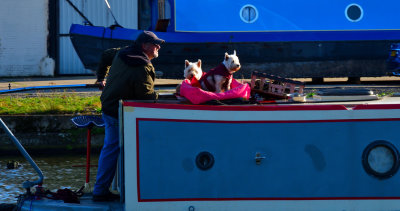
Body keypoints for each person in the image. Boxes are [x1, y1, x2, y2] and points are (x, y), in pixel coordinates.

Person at [92, 31, 164, 202]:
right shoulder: (141, 66)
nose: (158, 47)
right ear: (144, 46)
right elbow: (146, 96)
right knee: (114, 148)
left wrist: (100, 78)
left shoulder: (122, 52)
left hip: (109, 106)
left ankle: (106, 188)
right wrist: (160, 97)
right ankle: (102, 191)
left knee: (112, 147)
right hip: (118, 111)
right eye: (155, 44)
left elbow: (104, 55)